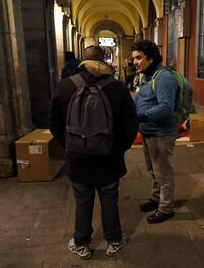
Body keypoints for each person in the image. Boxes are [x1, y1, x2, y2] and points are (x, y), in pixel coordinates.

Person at [49, 45, 138, 259]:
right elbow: (131, 125)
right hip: (109, 159)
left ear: (82, 61)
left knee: (82, 201)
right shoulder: (117, 88)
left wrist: (71, 146)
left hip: (78, 160)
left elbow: (54, 124)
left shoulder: (64, 87)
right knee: (109, 199)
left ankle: (81, 243)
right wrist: (117, 149)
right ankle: (114, 240)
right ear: (104, 61)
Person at [131, 40, 178, 224]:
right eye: (134, 58)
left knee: (163, 173)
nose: (135, 61)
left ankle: (166, 208)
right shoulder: (146, 76)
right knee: (153, 171)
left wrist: (139, 117)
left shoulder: (163, 77)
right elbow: (142, 98)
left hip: (161, 133)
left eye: (139, 57)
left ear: (150, 57)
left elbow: (166, 108)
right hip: (149, 132)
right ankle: (156, 198)